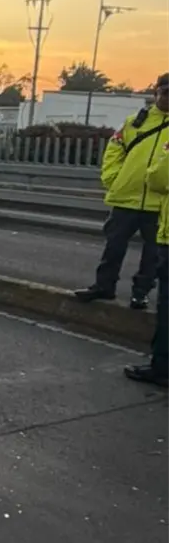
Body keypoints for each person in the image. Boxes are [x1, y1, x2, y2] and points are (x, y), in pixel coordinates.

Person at [74, 73, 169, 309]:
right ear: (156, 93)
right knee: (113, 246)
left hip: (159, 203)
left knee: (153, 254)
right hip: (126, 198)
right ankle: (104, 286)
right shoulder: (135, 122)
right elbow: (114, 151)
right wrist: (114, 179)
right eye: (166, 93)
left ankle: (141, 293)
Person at [128, 76, 169, 386]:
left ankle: (162, 367)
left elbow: (158, 177)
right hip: (130, 201)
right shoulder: (138, 121)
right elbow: (116, 149)